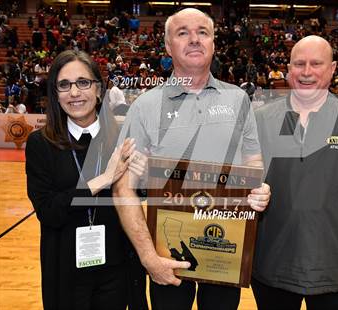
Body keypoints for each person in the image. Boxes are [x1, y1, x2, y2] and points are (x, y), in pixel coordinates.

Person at [113, 8, 271, 310]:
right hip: (167, 255)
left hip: (224, 250)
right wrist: (148, 257)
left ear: (213, 43)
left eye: (203, 32)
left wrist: (259, 189)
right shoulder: (145, 106)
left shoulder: (238, 99)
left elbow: (253, 162)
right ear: (168, 47)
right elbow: (123, 189)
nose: (194, 39)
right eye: (182, 33)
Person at [252, 35, 338, 310]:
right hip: (273, 264)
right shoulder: (261, 118)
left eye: (316, 64)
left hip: (337, 264)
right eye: (299, 64)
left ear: (333, 68)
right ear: (289, 68)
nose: (306, 72)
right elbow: (243, 180)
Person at [26, 50, 146, 309]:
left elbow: (139, 198)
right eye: (64, 85)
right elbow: (49, 212)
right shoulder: (40, 144)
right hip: (67, 270)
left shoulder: (123, 138)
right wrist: (101, 180)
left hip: (117, 268)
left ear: (99, 90)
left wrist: (142, 174)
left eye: (83, 82)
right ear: (55, 95)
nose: (74, 92)